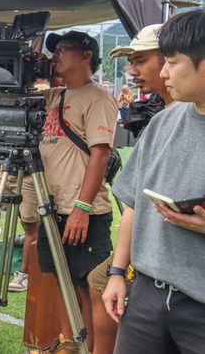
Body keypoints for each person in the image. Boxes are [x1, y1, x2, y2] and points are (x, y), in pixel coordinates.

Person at [102, 10, 205, 354]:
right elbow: (135, 202)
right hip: (147, 294)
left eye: (172, 62)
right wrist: (117, 271)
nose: (163, 72)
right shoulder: (163, 122)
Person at [85, 23, 173, 354]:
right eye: (130, 61)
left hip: (169, 266)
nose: (131, 70)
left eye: (140, 60)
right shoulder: (164, 113)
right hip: (148, 246)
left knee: (101, 281)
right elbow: (137, 198)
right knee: (101, 280)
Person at [36, 31, 118, 352]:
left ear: (86, 55)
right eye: (53, 51)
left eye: (62, 49)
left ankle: (90, 349)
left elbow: (100, 153)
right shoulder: (55, 96)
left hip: (84, 212)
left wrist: (82, 208)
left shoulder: (97, 97)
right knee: (64, 282)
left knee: (87, 288)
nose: (55, 55)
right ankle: (69, 344)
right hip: (53, 208)